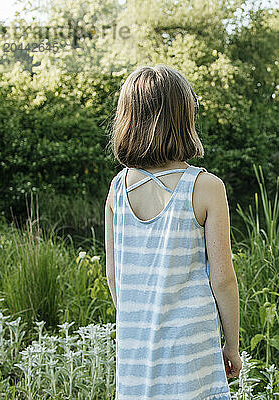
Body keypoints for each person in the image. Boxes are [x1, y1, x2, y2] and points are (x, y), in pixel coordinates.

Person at [104, 64, 241, 400]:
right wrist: (232, 346)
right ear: (184, 119)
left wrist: (140, 324)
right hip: (190, 350)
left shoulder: (117, 189)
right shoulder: (206, 187)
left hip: (137, 350)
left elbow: (114, 276)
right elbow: (223, 280)